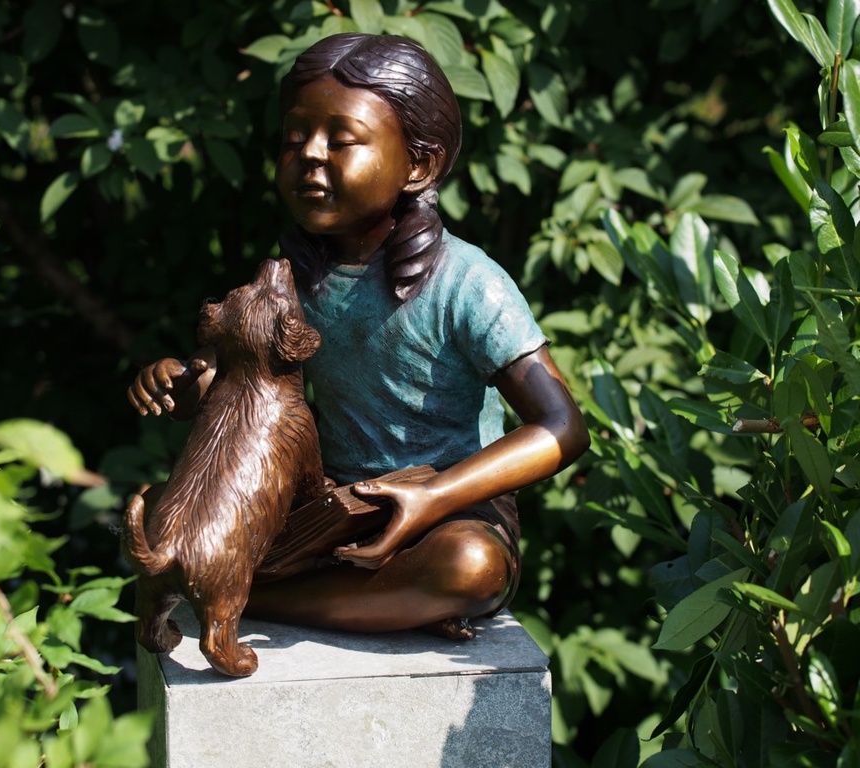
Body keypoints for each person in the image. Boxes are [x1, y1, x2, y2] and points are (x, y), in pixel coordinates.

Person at [127, 33, 589, 638]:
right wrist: (184, 385)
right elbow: (236, 385)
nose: (310, 156)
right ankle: (357, 602)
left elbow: (562, 429)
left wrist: (435, 497)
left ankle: (246, 597)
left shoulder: (468, 282)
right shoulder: (292, 279)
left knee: (471, 568)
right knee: (166, 516)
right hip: (328, 505)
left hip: (447, 507)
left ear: (418, 164)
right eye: (295, 139)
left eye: (341, 141)